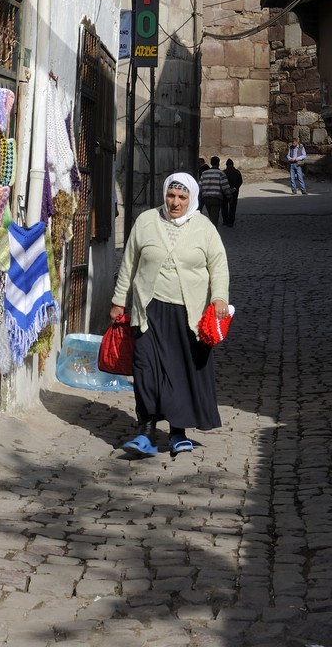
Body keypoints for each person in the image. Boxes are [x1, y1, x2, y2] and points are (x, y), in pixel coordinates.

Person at [110, 173, 229, 459]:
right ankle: (147, 431)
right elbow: (129, 262)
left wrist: (220, 297)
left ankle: (178, 432)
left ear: (192, 199)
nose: (175, 202)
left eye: (182, 197)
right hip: (148, 309)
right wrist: (118, 300)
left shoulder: (204, 228)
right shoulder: (146, 221)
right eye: (171, 196)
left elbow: (219, 264)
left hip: (188, 312)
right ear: (164, 194)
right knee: (145, 369)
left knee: (179, 371)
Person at [198, 156, 231, 226]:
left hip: (206, 197)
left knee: (211, 215)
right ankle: (212, 233)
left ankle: (210, 230)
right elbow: (225, 187)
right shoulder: (221, 173)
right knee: (214, 218)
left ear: (211, 163)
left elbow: (199, 186)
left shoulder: (204, 173)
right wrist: (230, 197)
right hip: (216, 198)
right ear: (218, 163)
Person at [223, 159, 243, 227]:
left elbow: (222, 182)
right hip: (234, 192)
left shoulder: (224, 172)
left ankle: (225, 220)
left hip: (225, 192)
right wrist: (235, 188)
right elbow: (240, 181)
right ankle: (231, 222)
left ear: (226, 165)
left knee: (224, 206)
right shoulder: (237, 172)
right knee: (233, 207)